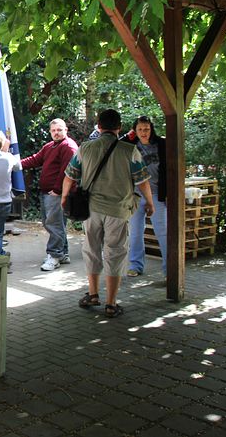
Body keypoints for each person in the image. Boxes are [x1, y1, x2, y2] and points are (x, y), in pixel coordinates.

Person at [61, 109, 154, 318]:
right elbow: (142, 180)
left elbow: (69, 177)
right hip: (118, 211)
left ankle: (93, 294)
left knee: (92, 249)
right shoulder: (130, 150)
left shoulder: (85, 148)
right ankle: (111, 304)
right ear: (119, 127)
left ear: (99, 126)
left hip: (91, 209)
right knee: (115, 253)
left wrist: (64, 198)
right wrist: (149, 202)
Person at [20, 118, 78, 271]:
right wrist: (17, 164)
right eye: (53, 130)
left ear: (66, 130)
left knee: (54, 224)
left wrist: (58, 190)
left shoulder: (68, 147)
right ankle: (63, 253)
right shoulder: (50, 146)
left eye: (59, 130)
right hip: (48, 192)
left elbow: (67, 171)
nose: (56, 133)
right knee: (55, 223)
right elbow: (35, 159)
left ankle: (54, 256)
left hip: (56, 193)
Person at [122, 116, 168, 278]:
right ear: (135, 130)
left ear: (151, 129)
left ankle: (169, 268)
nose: (143, 132)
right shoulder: (130, 145)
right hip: (135, 195)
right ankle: (135, 265)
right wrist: (128, 136)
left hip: (157, 194)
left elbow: (171, 168)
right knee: (135, 231)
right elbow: (114, 146)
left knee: (162, 231)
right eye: (140, 129)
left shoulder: (161, 144)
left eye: (146, 129)